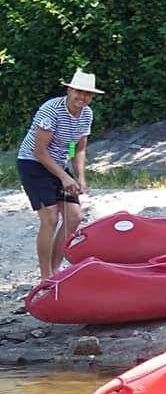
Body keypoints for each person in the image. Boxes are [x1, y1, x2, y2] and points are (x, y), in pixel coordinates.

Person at [16, 69, 104, 279]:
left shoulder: (86, 115)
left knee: (74, 217)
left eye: (88, 93)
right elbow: (39, 151)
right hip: (33, 163)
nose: (82, 97)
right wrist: (64, 177)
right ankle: (45, 277)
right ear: (69, 90)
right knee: (51, 217)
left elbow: (76, 148)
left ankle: (55, 270)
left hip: (57, 164)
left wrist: (79, 177)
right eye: (79, 91)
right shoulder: (51, 110)